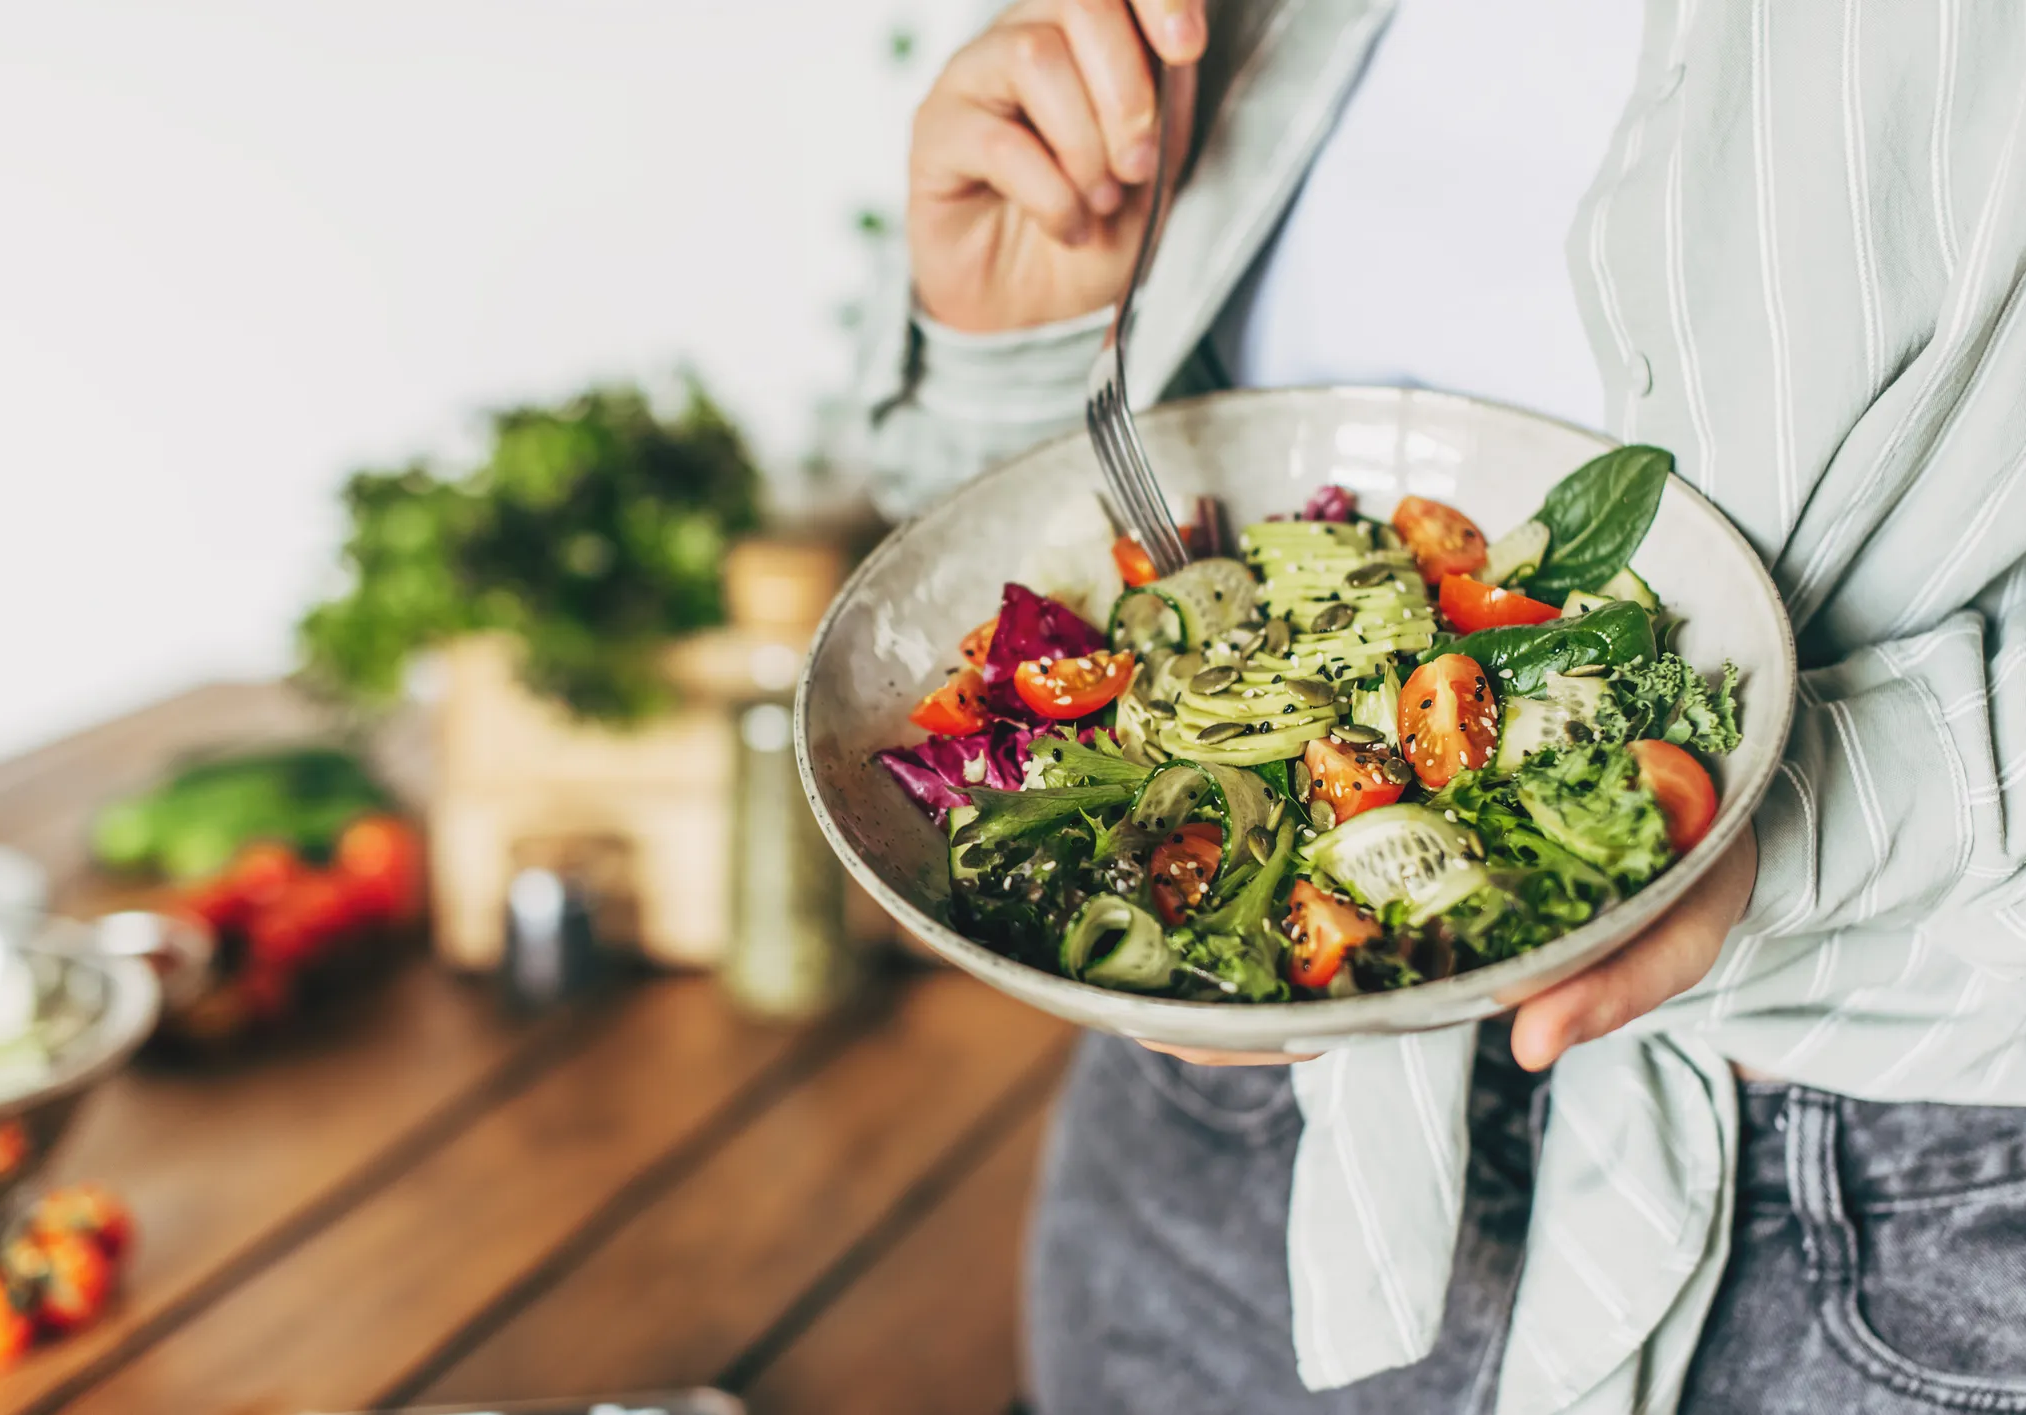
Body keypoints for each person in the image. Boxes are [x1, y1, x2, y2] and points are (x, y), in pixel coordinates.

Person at [859, 2, 2026, 1412]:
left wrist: (1816, 796)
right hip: (1221, 1130)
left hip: (1886, 1199)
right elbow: (1081, 552)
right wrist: (1028, 331)